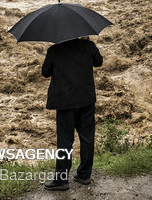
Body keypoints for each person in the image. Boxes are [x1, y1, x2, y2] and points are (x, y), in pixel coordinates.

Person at [41, 36, 103, 191]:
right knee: (87, 138)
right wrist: (87, 42)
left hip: (65, 102)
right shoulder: (88, 46)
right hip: (86, 100)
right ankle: (84, 175)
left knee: (65, 141)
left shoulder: (55, 50)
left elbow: (45, 72)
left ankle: (61, 179)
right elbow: (99, 62)